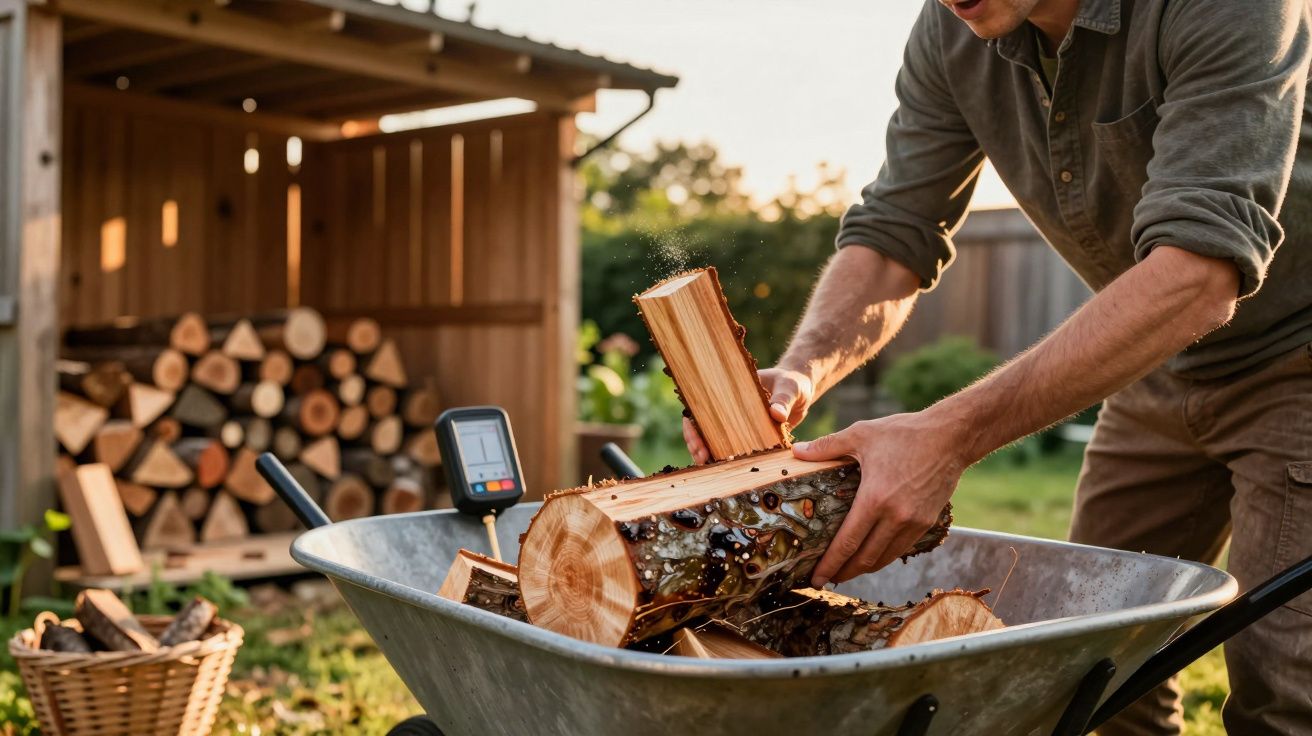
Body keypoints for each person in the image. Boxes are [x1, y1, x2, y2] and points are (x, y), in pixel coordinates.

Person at [682, 0, 1312, 732]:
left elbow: (1198, 274)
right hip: (1156, 368)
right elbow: (896, 231)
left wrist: (947, 435)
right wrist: (800, 371)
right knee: (1101, 676)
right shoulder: (953, 29)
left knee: (1284, 698)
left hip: (1298, 359)